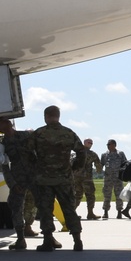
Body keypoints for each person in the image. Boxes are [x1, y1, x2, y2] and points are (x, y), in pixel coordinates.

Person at [30, 105, 86, 251]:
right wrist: (74, 167)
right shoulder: (68, 133)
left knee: (46, 210)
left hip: (44, 179)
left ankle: (48, 240)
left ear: (46, 116)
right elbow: (81, 152)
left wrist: (36, 166)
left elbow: (28, 152)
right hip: (64, 179)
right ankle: (77, 240)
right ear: (58, 116)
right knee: (69, 209)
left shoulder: (39, 133)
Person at [0, 117, 36, 251]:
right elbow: (4, 166)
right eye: (2, 122)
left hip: (34, 176)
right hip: (18, 179)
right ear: (0, 128)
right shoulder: (3, 144)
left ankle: (48, 237)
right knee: (16, 207)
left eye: (7, 120)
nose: (6, 122)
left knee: (43, 204)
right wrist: (12, 184)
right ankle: (20, 238)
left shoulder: (25, 135)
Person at [72, 138, 102, 220]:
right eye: (89, 142)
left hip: (76, 178)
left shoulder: (75, 153)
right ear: (84, 143)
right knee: (90, 195)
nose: (90, 144)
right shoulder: (92, 154)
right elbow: (98, 166)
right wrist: (99, 171)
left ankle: (72, 213)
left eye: (91, 143)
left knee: (77, 195)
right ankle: (90, 213)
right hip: (86, 178)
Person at [99, 139, 127, 219]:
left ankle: (119, 212)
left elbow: (125, 164)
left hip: (118, 178)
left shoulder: (120, 154)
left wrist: (123, 174)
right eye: (107, 145)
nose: (108, 146)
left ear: (114, 145)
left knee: (119, 195)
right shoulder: (104, 155)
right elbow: (101, 165)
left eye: (109, 144)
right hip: (108, 178)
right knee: (107, 195)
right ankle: (105, 212)